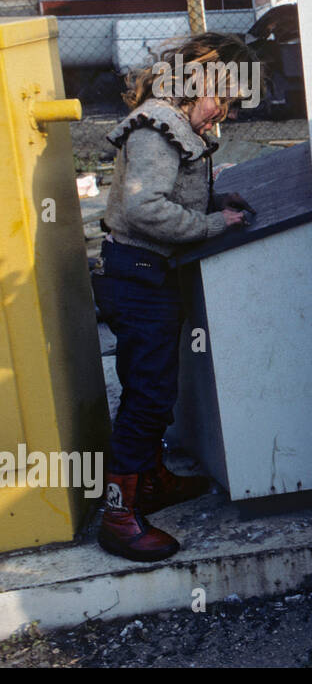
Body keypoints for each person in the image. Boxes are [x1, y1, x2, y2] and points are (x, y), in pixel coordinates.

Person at [92, 32, 257, 562]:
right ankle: (118, 515)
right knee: (145, 395)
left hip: (151, 274)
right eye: (223, 99)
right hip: (135, 275)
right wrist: (213, 222)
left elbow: (172, 190)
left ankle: (152, 480)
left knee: (157, 385)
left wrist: (214, 197)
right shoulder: (155, 127)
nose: (224, 114)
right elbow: (144, 210)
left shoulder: (177, 123)